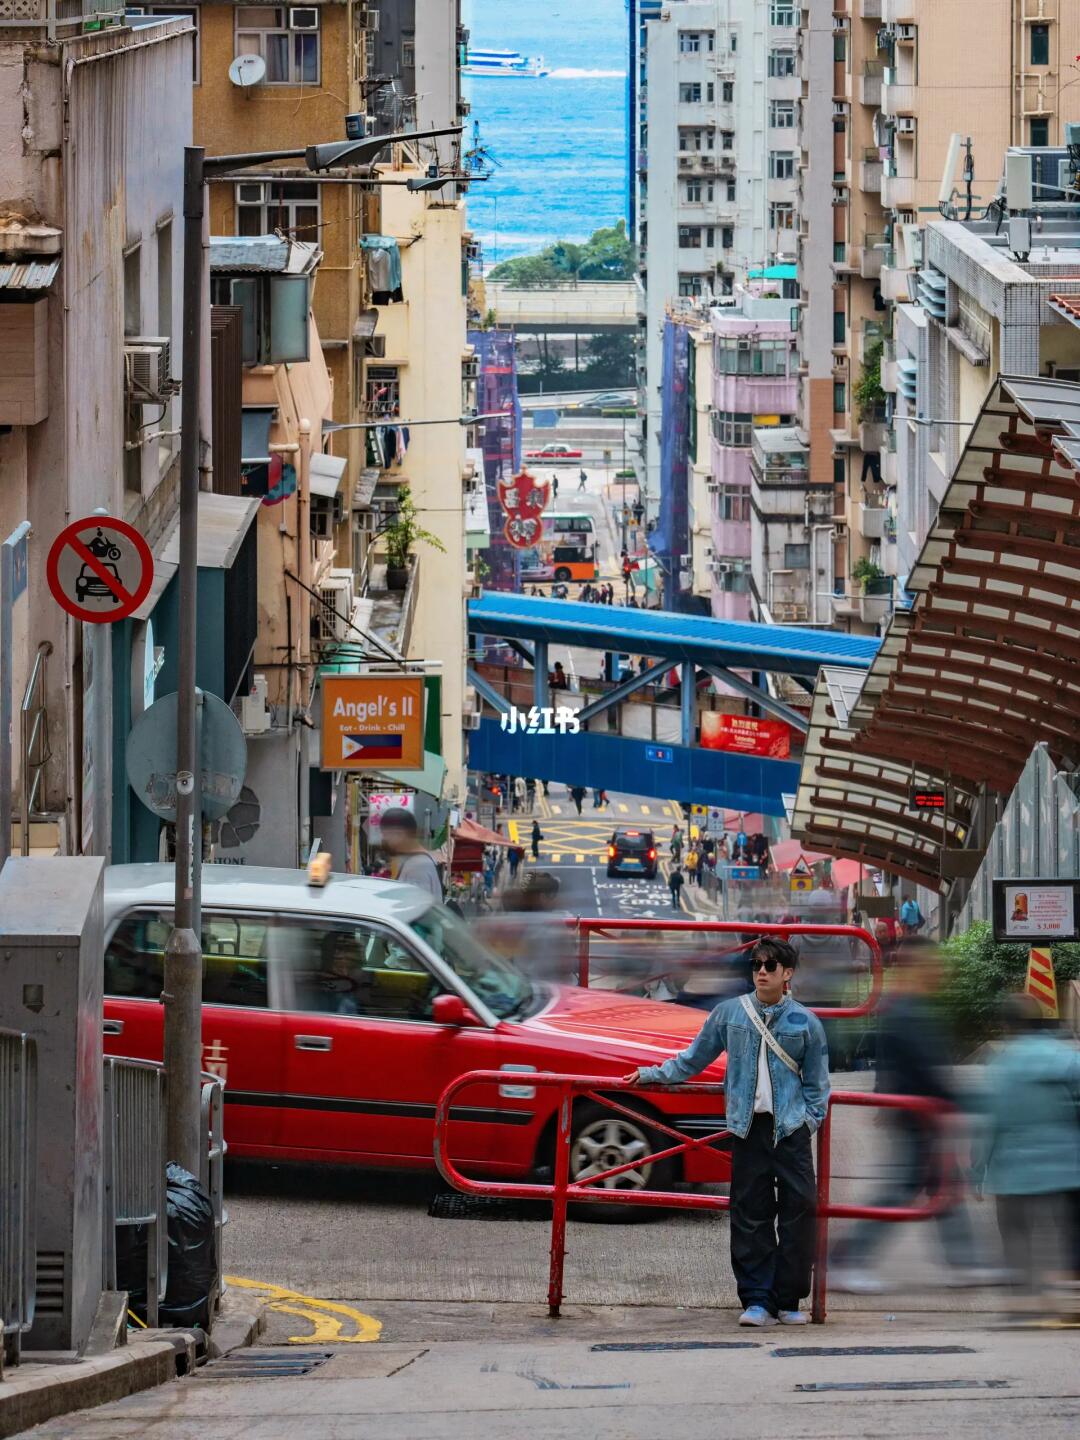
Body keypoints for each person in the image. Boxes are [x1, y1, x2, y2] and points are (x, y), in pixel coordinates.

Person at [625, 937, 829, 1326]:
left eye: (771, 966)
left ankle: (788, 1300)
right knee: (749, 1213)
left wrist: (809, 1122)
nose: (762, 972)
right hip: (747, 1126)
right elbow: (691, 1060)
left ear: (788, 974)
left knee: (800, 1211)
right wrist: (651, 1074)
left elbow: (819, 1084)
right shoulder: (728, 1014)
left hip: (790, 1129)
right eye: (757, 965)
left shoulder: (805, 1022)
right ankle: (756, 1299)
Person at [830, 938, 993, 1293]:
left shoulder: (904, 1007)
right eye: (935, 967)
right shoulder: (906, 1010)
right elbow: (921, 1069)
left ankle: (965, 1262)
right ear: (919, 968)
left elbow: (893, 1060)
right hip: (916, 1115)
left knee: (942, 1186)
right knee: (904, 1190)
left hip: (917, 1112)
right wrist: (958, 1102)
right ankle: (845, 1260)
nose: (941, 973)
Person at [973, 994, 1080, 1315]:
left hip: (1014, 1170)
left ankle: (1024, 1297)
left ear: (1007, 1026)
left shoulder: (1001, 1066)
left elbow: (992, 1123)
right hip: (1068, 1167)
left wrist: (978, 1171)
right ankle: (1071, 1295)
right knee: (1069, 1231)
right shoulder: (1068, 1059)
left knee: (1016, 1232)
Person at [378, 808, 443, 901]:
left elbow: (414, 909)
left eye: (385, 835)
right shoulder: (417, 861)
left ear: (399, 834)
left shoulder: (418, 867)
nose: (384, 840)